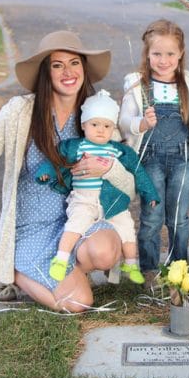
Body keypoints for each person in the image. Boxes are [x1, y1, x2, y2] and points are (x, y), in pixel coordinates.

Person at [0, 31, 136, 312]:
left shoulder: (97, 116)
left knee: (106, 253)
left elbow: (128, 186)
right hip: (31, 230)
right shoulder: (21, 111)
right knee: (79, 303)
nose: (68, 72)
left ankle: (66, 273)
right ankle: (7, 267)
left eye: (74, 63)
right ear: (47, 72)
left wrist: (107, 167)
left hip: (77, 224)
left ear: (84, 69)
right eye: (57, 65)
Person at [36, 89, 160, 285]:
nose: (101, 130)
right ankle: (61, 259)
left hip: (112, 202)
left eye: (107, 126)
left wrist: (150, 193)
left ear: (113, 128)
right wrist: (45, 173)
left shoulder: (120, 150)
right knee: (75, 224)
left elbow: (139, 172)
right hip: (84, 199)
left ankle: (131, 264)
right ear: (84, 125)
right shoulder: (74, 146)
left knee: (127, 227)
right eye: (95, 124)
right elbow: (56, 159)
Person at [118, 19, 189, 284]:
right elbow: (125, 122)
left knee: (179, 216)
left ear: (180, 53)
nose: (163, 60)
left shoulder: (188, 83)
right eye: (156, 53)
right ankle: (148, 268)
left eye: (170, 54)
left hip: (182, 157)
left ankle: (178, 265)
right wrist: (142, 123)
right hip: (151, 158)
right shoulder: (137, 83)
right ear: (147, 54)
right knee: (152, 215)